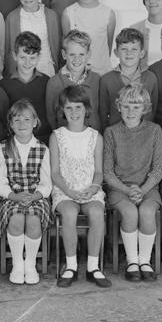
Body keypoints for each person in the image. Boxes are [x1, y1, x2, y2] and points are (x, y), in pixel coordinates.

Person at [102, 83, 162, 282]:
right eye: (127, 106)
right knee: (129, 212)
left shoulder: (154, 131)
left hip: (148, 187)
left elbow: (158, 169)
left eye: (136, 106)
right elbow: (108, 172)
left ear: (145, 107)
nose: (131, 111)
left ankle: (144, 261)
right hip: (119, 188)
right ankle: (132, 262)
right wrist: (127, 190)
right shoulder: (111, 132)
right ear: (119, 106)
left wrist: (143, 189)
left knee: (146, 212)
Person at [50, 85, 109, 288]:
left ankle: (93, 266)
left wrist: (93, 187)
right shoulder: (57, 136)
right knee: (69, 214)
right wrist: (68, 191)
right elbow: (55, 172)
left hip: (89, 189)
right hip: (65, 190)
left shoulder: (95, 137)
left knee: (96, 213)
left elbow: (99, 171)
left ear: (86, 109)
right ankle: (71, 265)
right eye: (69, 108)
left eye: (78, 107)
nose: (74, 112)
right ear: (62, 111)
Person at [0, 99, 52, 285]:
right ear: (11, 124)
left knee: (34, 219)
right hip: (11, 196)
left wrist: (35, 196)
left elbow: (46, 184)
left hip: (36, 196)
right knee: (17, 218)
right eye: (17, 120)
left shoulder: (42, 148)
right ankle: (18, 265)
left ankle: (30, 265)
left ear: (35, 122)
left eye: (27, 120)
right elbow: (0, 182)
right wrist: (14, 196)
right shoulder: (2, 148)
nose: (22, 124)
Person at [61, 0, 116, 76]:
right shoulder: (68, 13)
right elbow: (68, 48)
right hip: (76, 74)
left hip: (101, 73)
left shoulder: (108, 14)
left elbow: (108, 48)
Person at [99, 28, 158, 131]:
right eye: (124, 49)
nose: (129, 53)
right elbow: (103, 114)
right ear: (116, 52)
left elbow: (152, 111)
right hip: (115, 136)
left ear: (142, 53)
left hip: (144, 136)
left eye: (134, 49)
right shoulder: (106, 80)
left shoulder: (150, 78)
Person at [4, 0, 60, 78]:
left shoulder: (51, 16)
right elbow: (8, 50)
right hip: (22, 74)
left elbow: (57, 46)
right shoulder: (12, 18)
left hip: (47, 71)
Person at [45, 30, 103, 133]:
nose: (77, 59)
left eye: (81, 54)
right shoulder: (54, 83)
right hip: (66, 140)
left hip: (93, 138)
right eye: (72, 55)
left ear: (88, 54)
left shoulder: (97, 80)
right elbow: (51, 116)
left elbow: (101, 111)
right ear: (64, 54)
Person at [0, 32, 52, 143]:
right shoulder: (5, 84)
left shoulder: (47, 82)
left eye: (32, 58)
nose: (27, 63)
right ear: (14, 56)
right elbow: (4, 117)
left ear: (39, 57)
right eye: (23, 57)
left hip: (42, 140)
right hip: (15, 140)